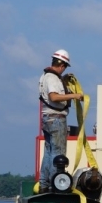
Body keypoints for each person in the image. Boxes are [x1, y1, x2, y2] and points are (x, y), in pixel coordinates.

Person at [38, 49, 83, 192]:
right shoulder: (52, 78)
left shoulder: (46, 76)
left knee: (49, 152)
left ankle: (44, 184)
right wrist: (74, 96)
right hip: (56, 119)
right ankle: (54, 184)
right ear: (62, 65)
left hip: (47, 119)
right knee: (58, 153)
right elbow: (54, 97)